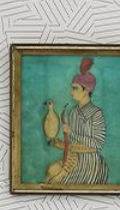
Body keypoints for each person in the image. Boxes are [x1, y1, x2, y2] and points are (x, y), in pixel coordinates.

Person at [40, 59, 108, 187]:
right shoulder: (73, 113)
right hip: (72, 159)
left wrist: (72, 134)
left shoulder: (96, 113)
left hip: (89, 163)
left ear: (86, 90)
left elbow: (98, 144)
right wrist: (58, 143)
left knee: (55, 183)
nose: (71, 92)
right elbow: (72, 144)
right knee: (51, 170)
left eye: (75, 88)